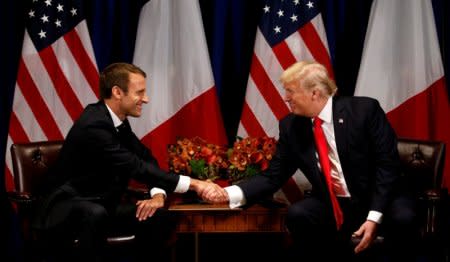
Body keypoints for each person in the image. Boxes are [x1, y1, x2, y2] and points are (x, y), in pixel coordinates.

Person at [203, 61, 418, 261]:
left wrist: (373, 218)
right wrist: (228, 193)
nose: (286, 98)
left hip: (380, 196)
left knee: (403, 218)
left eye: (291, 91)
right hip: (335, 202)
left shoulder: (363, 111)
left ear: (314, 93)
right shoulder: (291, 126)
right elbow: (273, 175)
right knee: (299, 214)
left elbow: (387, 166)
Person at [33, 62, 223, 262]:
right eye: (139, 92)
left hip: (102, 204)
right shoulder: (94, 124)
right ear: (117, 92)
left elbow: (145, 158)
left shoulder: (117, 121)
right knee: (95, 214)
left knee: (161, 217)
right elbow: (135, 167)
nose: (146, 99)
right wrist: (195, 184)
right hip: (63, 207)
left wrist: (158, 196)